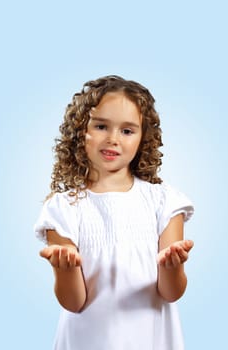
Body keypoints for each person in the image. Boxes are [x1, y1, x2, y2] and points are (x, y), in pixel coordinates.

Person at [34, 75, 194, 350]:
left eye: (127, 131)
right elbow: (74, 302)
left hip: (151, 339)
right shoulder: (63, 208)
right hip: (86, 340)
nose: (112, 139)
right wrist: (65, 269)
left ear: (144, 138)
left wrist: (173, 266)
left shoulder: (164, 201)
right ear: (79, 131)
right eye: (100, 126)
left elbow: (170, 293)